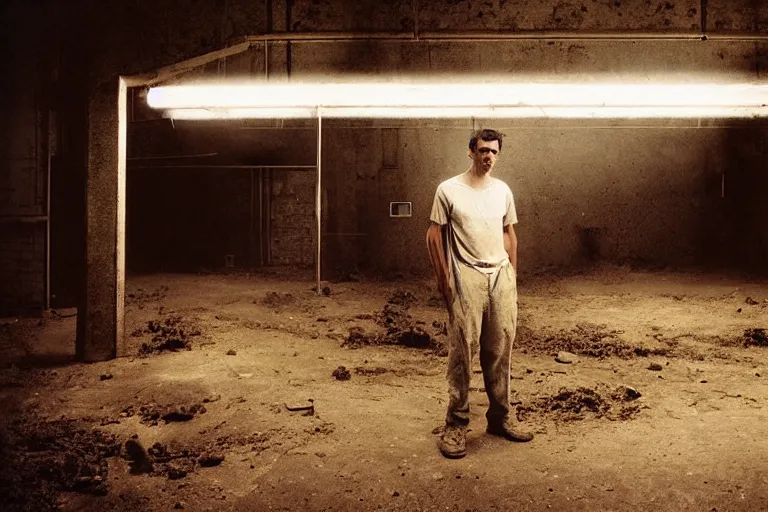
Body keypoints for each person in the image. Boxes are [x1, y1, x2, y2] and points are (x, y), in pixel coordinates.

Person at [426, 128, 533, 459]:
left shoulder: (502, 190)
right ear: (470, 151)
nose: (489, 157)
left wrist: (512, 274)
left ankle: (499, 419)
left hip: (500, 275)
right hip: (466, 275)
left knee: (501, 349)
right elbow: (433, 236)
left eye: (495, 152)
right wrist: (444, 281)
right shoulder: (449, 190)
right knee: (463, 351)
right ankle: (456, 424)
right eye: (484, 150)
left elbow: (509, 234)